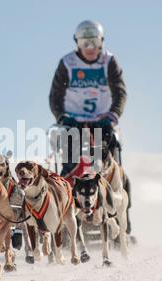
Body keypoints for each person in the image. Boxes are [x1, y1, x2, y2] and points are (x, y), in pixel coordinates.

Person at [49, 20, 127, 177]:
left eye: (94, 42)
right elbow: (55, 95)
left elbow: (120, 92)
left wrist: (112, 115)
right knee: (71, 158)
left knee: (109, 154)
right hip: (73, 120)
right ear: (77, 43)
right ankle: (69, 187)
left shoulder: (109, 62)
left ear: (101, 42)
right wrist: (62, 117)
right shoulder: (67, 63)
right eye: (85, 43)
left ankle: (114, 189)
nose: (90, 48)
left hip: (102, 119)